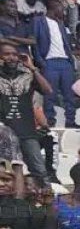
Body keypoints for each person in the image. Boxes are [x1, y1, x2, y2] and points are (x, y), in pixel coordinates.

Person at [0, 41, 51, 181]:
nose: (12, 57)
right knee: (5, 172)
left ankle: (43, 201)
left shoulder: (28, 74)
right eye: (7, 54)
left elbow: (47, 90)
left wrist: (33, 68)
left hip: (26, 130)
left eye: (15, 54)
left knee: (39, 170)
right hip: (3, 131)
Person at [33, 0, 78, 128]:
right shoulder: (39, 20)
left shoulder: (60, 23)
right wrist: (40, 61)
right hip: (49, 62)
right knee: (50, 94)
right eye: (62, 9)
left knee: (69, 94)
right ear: (54, 8)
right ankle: (50, 122)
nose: (63, 12)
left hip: (65, 62)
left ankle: (71, 121)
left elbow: (66, 44)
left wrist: (71, 60)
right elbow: (34, 42)